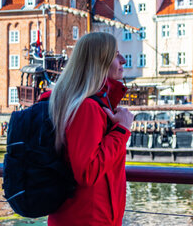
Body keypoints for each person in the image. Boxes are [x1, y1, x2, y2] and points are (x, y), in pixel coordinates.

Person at [46, 32, 133, 226]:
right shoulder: (87, 107)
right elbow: (87, 172)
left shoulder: (90, 104)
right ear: (99, 61)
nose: (123, 60)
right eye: (115, 54)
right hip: (88, 219)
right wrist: (121, 130)